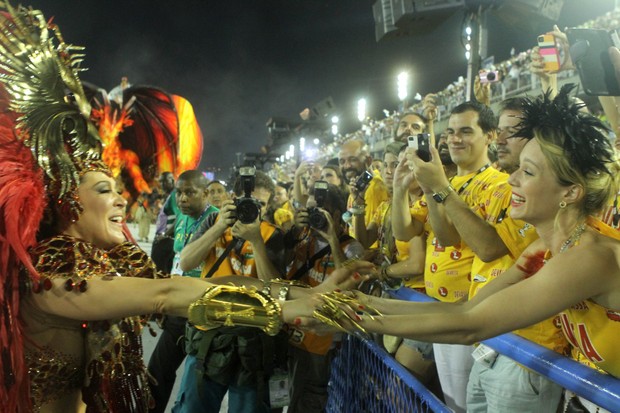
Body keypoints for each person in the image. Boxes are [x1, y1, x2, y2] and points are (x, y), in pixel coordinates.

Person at [0, 6, 371, 412]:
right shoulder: (48, 283)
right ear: (67, 201)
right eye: (107, 188)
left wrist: (308, 294)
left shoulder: (87, 268)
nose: (125, 197)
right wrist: (290, 306)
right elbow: (168, 291)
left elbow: (211, 286)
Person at [294, 85, 620, 412]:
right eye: (519, 167)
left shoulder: (588, 255)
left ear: (571, 192)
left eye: (529, 172)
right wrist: (358, 302)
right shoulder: (541, 251)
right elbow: (462, 310)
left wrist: (347, 316)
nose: (513, 180)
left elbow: (470, 324)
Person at [173, 169, 286, 413]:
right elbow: (187, 262)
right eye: (249, 202)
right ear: (233, 199)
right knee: (192, 407)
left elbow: (276, 289)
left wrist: (256, 241)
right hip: (210, 335)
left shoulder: (272, 235)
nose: (253, 210)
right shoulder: (214, 222)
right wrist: (219, 227)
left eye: (261, 205)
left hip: (253, 340)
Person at [285, 183, 364, 413]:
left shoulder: (351, 248)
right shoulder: (301, 236)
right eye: (310, 210)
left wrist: (332, 239)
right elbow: (278, 266)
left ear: (337, 214)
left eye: (320, 211)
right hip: (288, 330)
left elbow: (347, 282)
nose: (314, 216)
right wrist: (291, 232)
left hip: (319, 340)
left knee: (308, 401)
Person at [147, 170, 218, 413]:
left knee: (194, 384)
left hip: (201, 312)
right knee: (156, 373)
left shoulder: (215, 220)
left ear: (205, 193)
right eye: (179, 193)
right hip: (177, 308)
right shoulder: (182, 217)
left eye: (190, 192)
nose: (183, 199)